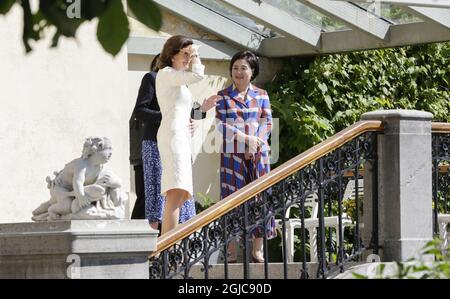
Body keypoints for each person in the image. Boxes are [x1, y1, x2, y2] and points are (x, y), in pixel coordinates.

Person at [129, 53, 218, 231]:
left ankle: (172, 248)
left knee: (177, 199)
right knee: (150, 201)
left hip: (178, 148)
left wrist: (202, 110)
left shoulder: (182, 85)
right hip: (153, 147)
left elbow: (187, 115)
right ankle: (140, 247)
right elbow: (141, 111)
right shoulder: (152, 78)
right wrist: (171, 117)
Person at [216, 50, 275, 263]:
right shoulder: (223, 96)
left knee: (260, 199)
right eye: (235, 68)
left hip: (259, 156)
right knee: (232, 201)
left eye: (243, 68)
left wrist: (255, 143)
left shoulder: (261, 95)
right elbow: (221, 126)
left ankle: (257, 250)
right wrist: (246, 140)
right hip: (232, 158)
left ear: (252, 71)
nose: (239, 72)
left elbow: (267, 122)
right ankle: (231, 250)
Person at [156, 35, 219, 235]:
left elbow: (187, 111)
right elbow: (198, 75)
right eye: (185, 54)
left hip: (181, 136)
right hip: (173, 137)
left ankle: (168, 245)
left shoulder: (180, 82)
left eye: (190, 54)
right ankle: (167, 247)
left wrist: (202, 110)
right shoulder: (167, 73)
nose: (189, 58)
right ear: (172, 54)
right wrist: (197, 54)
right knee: (175, 192)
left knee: (182, 193)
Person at [32, 137, 126, 221]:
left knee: (55, 202)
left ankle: (41, 210)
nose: (111, 154)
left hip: (74, 192)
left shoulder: (100, 167)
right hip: (61, 189)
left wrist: (112, 182)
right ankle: (50, 210)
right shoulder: (82, 165)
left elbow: (118, 181)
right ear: (95, 150)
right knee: (66, 206)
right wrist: (81, 197)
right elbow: (77, 182)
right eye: (108, 150)